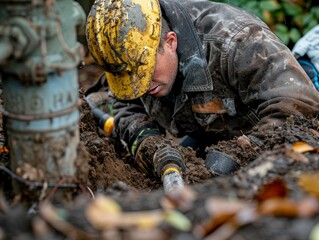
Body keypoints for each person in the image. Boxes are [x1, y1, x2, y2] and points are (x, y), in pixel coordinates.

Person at [85, 0, 319, 178]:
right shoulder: (130, 55)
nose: (140, 87)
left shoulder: (239, 42)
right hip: (210, 133)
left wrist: (239, 153)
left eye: (144, 73)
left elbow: (301, 107)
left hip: (267, 125)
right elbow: (126, 103)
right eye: (128, 79)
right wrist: (148, 144)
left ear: (170, 41)